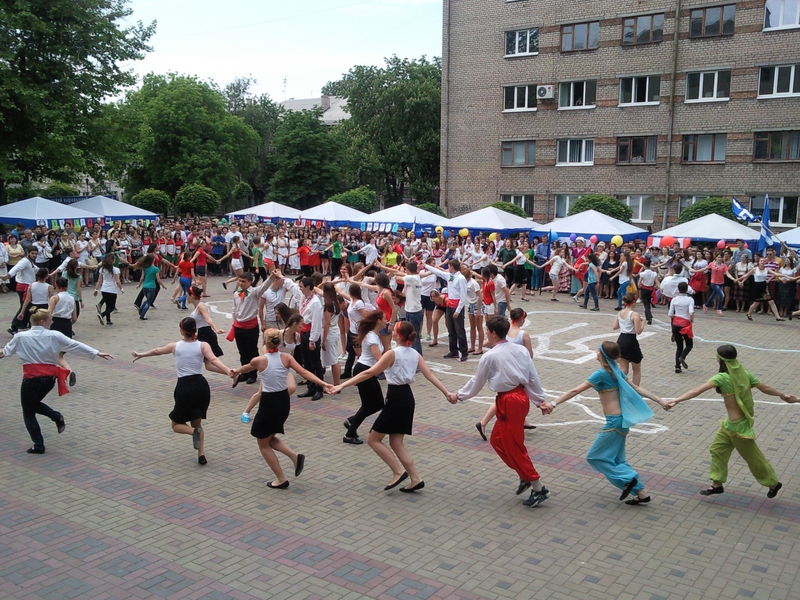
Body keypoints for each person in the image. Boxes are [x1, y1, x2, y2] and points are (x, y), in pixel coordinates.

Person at [331, 322, 454, 492]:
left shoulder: (392, 354)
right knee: (397, 443)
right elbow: (429, 375)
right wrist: (446, 393)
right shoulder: (415, 354)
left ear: (398, 335)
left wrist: (341, 386)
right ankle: (416, 478)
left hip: (395, 398)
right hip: (407, 398)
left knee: (373, 439)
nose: (391, 330)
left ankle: (398, 472)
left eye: (394, 329)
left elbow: (369, 372)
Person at [667, 344, 798, 498]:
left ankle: (773, 483)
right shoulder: (744, 374)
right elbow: (765, 388)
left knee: (753, 458)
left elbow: (696, 391)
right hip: (729, 426)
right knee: (717, 449)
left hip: (738, 430)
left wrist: (676, 400)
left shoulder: (721, 378)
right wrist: (782, 395)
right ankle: (717, 484)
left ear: (720, 359)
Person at [549, 341, 668, 505]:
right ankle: (641, 493)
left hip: (614, 422)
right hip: (621, 422)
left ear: (602, 355)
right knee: (618, 460)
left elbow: (575, 390)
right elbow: (637, 388)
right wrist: (660, 400)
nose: (596, 352)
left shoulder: (601, 374)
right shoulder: (617, 371)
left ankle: (629, 477)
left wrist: (553, 403)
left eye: (598, 350)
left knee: (594, 457)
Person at [453, 315, 551, 507]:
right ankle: (525, 476)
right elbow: (532, 377)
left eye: (487, 331)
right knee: (497, 440)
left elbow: (477, 382)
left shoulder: (490, 356)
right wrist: (539, 400)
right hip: (515, 399)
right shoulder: (520, 350)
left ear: (494, 333)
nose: (486, 334)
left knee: (514, 445)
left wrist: (458, 396)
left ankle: (538, 487)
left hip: (511, 400)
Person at [0, 308, 112, 453]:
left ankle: (39, 444)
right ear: (43, 322)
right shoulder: (54, 335)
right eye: (50, 319)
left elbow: (5, 352)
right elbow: (74, 345)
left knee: (28, 412)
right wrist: (96, 352)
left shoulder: (21, 337)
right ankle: (55, 416)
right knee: (32, 405)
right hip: (49, 379)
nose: (52, 321)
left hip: (31, 378)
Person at [237, 329, 332, 489]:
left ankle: (281, 478)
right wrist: (323, 384)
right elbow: (304, 372)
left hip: (269, 402)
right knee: (269, 437)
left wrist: (234, 371)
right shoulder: (286, 358)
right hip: (283, 401)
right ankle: (295, 457)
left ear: (265, 343)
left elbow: (245, 368)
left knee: (263, 443)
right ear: (281, 343)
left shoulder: (259, 360)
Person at [132, 317, 234, 465]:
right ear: (195, 330)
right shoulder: (203, 345)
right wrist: (227, 370)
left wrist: (141, 354)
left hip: (184, 387)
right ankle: (201, 454)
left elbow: (157, 351)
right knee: (197, 423)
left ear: (181, 331)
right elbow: (213, 360)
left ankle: (193, 434)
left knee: (176, 425)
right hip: (201, 387)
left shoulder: (176, 346)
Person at [343, 310, 386, 444]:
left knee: (374, 404)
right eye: (384, 318)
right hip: (364, 370)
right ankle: (349, 434)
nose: (386, 321)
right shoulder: (372, 338)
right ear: (378, 320)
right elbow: (379, 359)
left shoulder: (373, 335)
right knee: (372, 404)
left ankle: (352, 421)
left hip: (366, 370)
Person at [421, 258, 468, 361]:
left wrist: (458, 310)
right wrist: (426, 265)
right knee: (451, 329)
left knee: (459, 330)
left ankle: (464, 352)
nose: (448, 268)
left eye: (449, 266)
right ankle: (453, 351)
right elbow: (438, 272)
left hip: (456, 306)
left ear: (453, 267)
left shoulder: (461, 278)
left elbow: (463, 296)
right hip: (449, 305)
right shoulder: (450, 276)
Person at [228, 272, 270, 384]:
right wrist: (234, 322)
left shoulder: (254, 292)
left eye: (244, 281)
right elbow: (234, 309)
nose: (241, 283)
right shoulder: (237, 293)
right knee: (242, 351)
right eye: (240, 281)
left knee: (252, 351)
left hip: (251, 326)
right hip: (238, 326)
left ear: (250, 282)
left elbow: (264, 286)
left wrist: (272, 277)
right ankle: (244, 373)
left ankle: (253, 374)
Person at [613, 293, 645, 385]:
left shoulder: (620, 313)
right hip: (631, 340)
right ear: (633, 302)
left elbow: (615, 326)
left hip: (621, 339)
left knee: (624, 369)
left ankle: (619, 386)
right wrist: (643, 322)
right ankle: (635, 390)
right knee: (636, 369)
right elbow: (638, 331)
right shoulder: (635, 314)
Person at [187, 286, 225, 357]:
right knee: (209, 363)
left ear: (191, 295)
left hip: (207, 334)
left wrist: (216, 329)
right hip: (202, 334)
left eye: (187, 295)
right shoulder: (197, 307)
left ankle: (227, 369)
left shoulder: (201, 306)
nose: (186, 297)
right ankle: (226, 369)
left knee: (211, 361)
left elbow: (207, 318)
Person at [668, 281, 694, 374]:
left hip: (676, 324)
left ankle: (677, 367)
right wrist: (691, 320)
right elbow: (691, 312)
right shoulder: (690, 299)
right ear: (687, 289)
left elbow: (670, 314)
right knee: (689, 344)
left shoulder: (674, 299)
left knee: (679, 346)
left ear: (678, 289)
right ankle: (682, 357)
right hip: (685, 324)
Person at [94, 254, 123, 326]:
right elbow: (117, 281)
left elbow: (99, 281)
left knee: (107, 305)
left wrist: (96, 289)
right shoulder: (116, 270)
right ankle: (102, 315)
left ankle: (108, 320)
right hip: (112, 290)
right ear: (113, 261)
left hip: (104, 289)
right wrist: (121, 288)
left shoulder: (102, 269)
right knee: (112, 307)